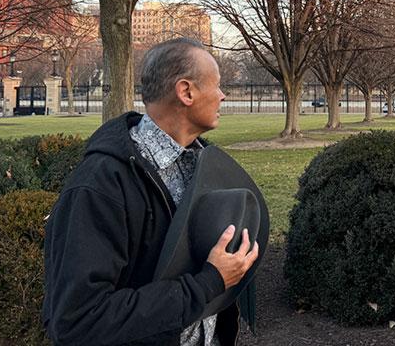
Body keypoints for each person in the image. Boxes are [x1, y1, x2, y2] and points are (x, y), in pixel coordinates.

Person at [42, 38, 259, 346]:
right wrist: (207, 284)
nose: (223, 96)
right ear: (186, 92)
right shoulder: (101, 184)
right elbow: (77, 320)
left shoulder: (204, 164)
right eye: (218, 85)